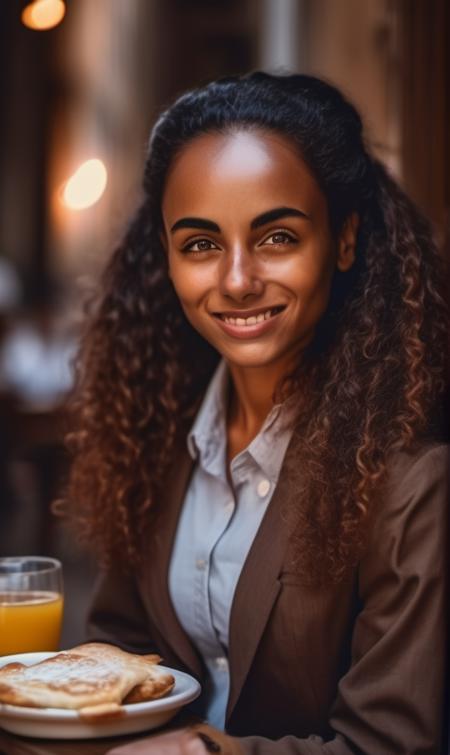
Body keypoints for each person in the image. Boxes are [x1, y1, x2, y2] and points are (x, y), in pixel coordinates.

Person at [63, 72, 448, 754]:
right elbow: (123, 652)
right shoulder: (152, 436)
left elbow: (393, 743)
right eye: (201, 244)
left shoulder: (413, 482)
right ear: (168, 257)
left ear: (345, 240)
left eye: (276, 237)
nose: (237, 279)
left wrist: (211, 752)